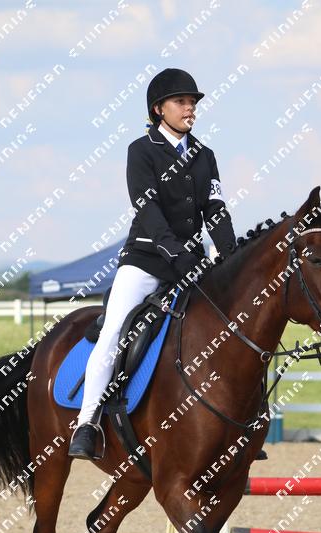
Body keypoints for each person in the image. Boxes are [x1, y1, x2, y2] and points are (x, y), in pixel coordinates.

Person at [68, 68, 237, 459]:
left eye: (192, 102)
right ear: (159, 109)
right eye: (182, 102)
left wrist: (230, 255)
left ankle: (232, 419)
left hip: (192, 263)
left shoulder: (205, 156)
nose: (190, 108)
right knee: (113, 332)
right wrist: (176, 253)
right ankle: (88, 423)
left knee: (226, 325)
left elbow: (215, 209)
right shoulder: (141, 150)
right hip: (146, 261)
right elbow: (148, 210)